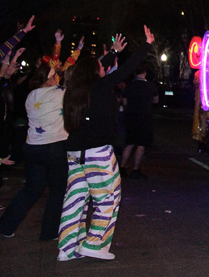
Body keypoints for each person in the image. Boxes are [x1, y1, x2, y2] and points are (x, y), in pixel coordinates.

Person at [57, 27, 154, 261]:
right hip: (97, 152)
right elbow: (127, 69)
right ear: (95, 73)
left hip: (74, 151)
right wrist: (146, 45)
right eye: (101, 67)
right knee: (108, 197)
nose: (104, 68)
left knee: (75, 199)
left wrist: (112, 52)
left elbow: (93, 67)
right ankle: (95, 243)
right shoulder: (100, 87)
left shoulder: (73, 90)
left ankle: (66, 248)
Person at [0, 63, 68, 240]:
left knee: (31, 188)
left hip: (32, 147)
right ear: (52, 78)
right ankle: (49, 232)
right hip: (54, 146)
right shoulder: (60, 92)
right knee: (57, 190)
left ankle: (6, 226)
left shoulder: (32, 95)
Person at [121, 65, 158, 179]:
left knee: (129, 143)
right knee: (141, 144)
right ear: (144, 73)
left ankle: (122, 167)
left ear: (134, 74)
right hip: (144, 117)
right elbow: (156, 100)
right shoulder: (150, 86)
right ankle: (135, 169)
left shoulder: (129, 86)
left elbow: (124, 102)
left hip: (131, 116)